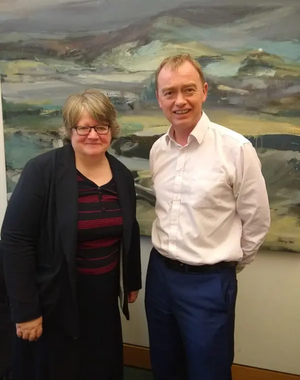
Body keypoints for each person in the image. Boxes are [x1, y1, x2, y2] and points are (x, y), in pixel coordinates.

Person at [0, 89, 141, 380]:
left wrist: (132, 280)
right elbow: (15, 241)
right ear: (70, 130)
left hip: (102, 300)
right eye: (83, 127)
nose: (93, 135)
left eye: (100, 126)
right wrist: (26, 311)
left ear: (111, 130)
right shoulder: (42, 171)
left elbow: (130, 229)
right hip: (53, 300)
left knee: (98, 367)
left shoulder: (122, 175)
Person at [145, 54, 271, 380]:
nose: (179, 101)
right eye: (169, 92)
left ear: (204, 91)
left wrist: (224, 266)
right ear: (159, 98)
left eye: (188, 90)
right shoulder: (158, 150)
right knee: (164, 366)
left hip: (209, 282)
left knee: (208, 372)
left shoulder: (236, 149)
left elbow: (256, 220)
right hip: (159, 276)